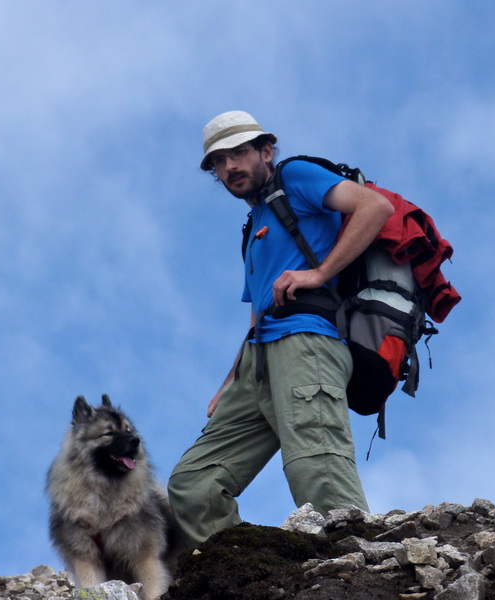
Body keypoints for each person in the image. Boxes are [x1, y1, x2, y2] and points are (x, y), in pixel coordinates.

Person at [167, 111, 394, 552]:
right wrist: (231, 378)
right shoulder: (254, 227)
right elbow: (258, 314)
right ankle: (245, 575)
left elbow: (375, 207)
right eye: (218, 160)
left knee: (317, 467)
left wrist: (318, 273)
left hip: (307, 341)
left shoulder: (297, 177)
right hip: (260, 357)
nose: (229, 166)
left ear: (266, 151)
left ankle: (355, 571)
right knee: (194, 485)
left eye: (238, 153)